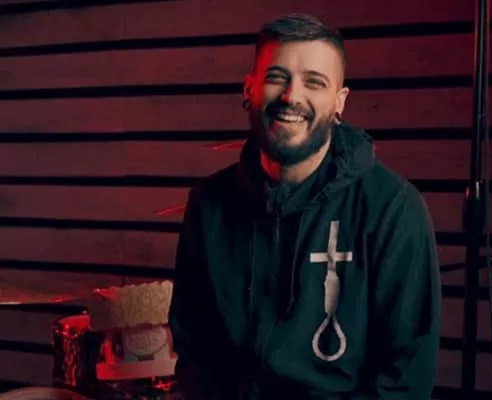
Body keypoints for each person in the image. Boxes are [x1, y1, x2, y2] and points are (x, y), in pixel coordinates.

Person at [169, 13, 441, 400]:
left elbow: (405, 380)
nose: (291, 96)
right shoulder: (208, 204)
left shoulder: (393, 209)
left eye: (314, 82)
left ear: (339, 102)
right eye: (277, 76)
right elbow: (194, 350)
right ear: (249, 89)